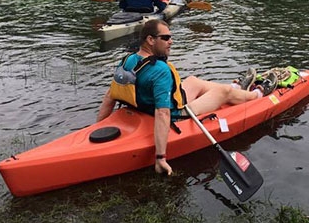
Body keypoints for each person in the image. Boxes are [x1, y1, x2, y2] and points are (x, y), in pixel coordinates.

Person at [96, 20, 278, 175]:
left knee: (193, 81)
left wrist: (98, 127)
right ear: (150, 40)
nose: (171, 42)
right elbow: (163, 114)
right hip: (177, 112)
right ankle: (258, 93)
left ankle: (238, 87)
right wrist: (160, 158)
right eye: (165, 38)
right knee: (223, 93)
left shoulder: (128, 59)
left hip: (143, 105)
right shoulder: (160, 71)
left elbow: (109, 96)